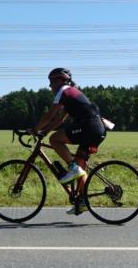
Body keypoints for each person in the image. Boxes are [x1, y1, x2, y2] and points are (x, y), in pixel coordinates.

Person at [31, 68, 110, 215]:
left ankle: (72, 168)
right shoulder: (70, 95)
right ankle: (83, 201)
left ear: (60, 80)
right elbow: (59, 119)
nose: (50, 86)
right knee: (81, 169)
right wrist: (45, 131)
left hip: (89, 127)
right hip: (96, 129)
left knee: (54, 139)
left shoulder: (65, 91)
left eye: (51, 82)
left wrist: (35, 129)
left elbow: (49, 116)